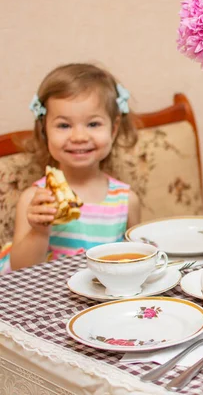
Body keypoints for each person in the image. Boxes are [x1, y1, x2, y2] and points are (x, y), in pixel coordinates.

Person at [0, 63, 141, 274]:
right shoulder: (36, 199)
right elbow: (22, 270)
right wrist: (39, 231)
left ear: (113, 128)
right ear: (44, 130)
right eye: (64, 126)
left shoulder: (127, 200)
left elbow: (138, 260)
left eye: (93, 124)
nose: (79, 137)